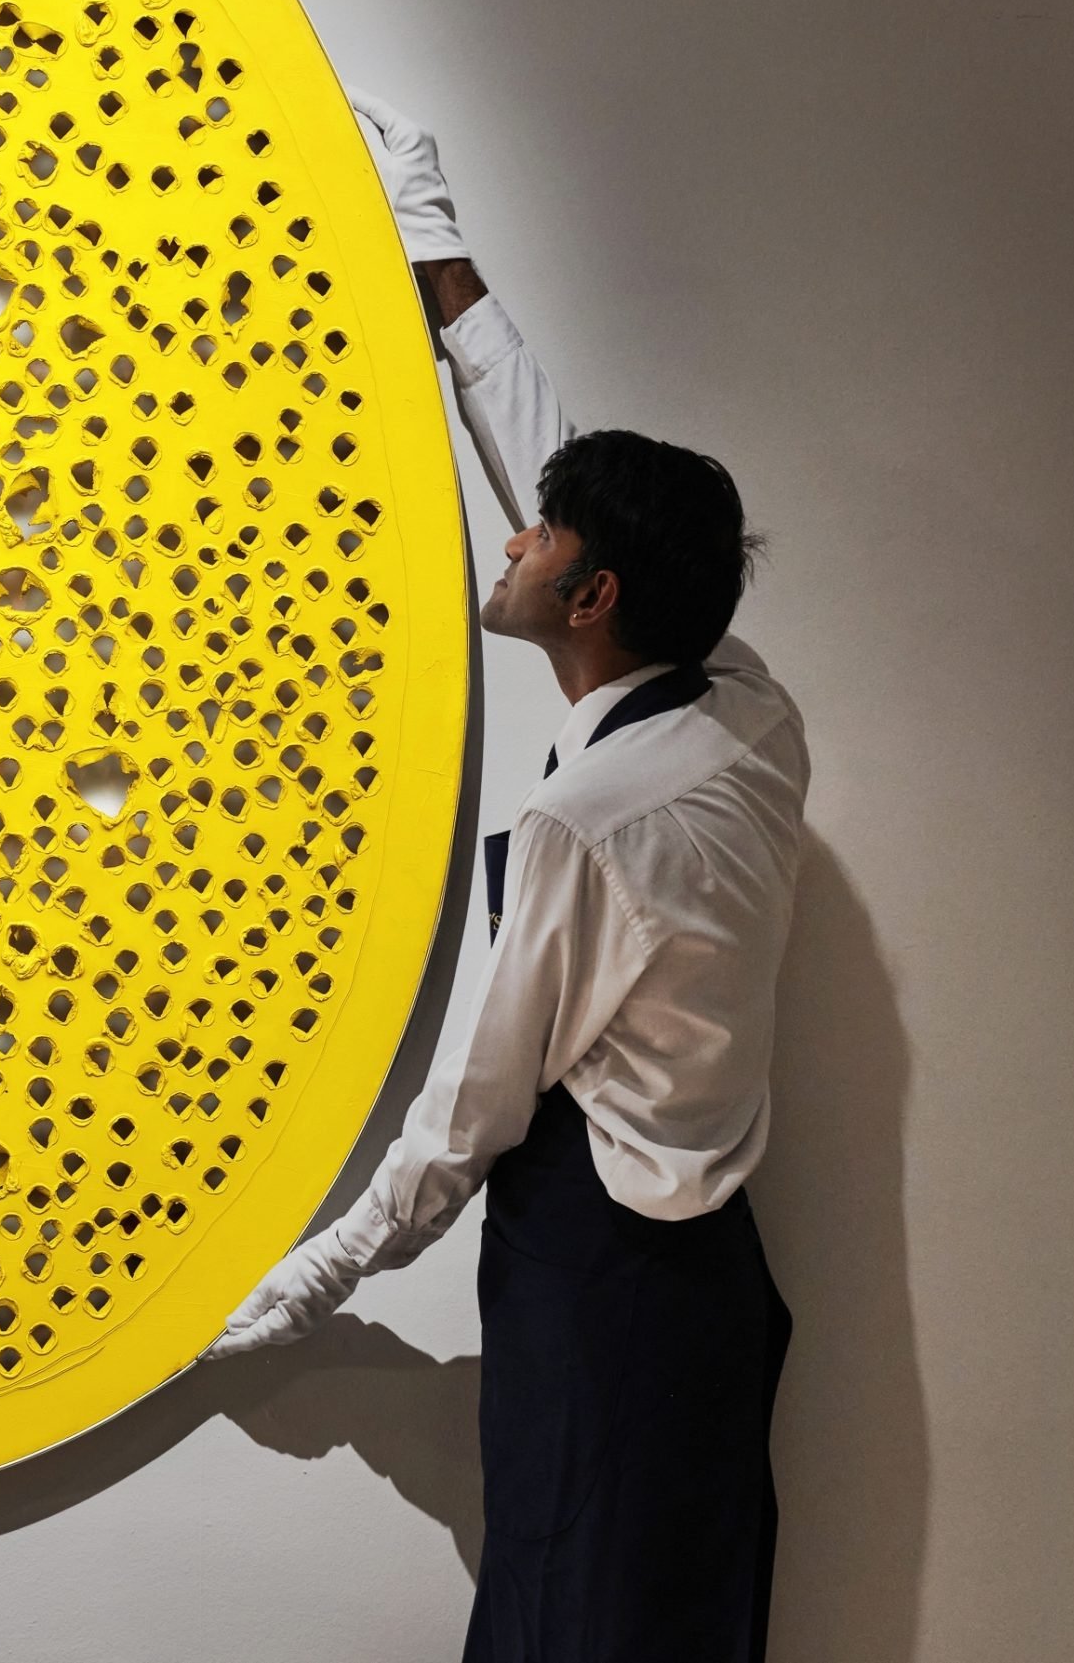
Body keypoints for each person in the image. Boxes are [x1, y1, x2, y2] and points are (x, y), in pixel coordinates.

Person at [208, 95, 808, 1663]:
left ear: (589, 595)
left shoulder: (588, 820)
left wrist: (311, 1279)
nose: (513, 538)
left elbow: (472, 1112)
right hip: (718, 1287)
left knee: (575, 1620)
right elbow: (564, 468)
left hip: (601, 1286)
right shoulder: (746, 709)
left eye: (536, 536)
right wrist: (442, 265)